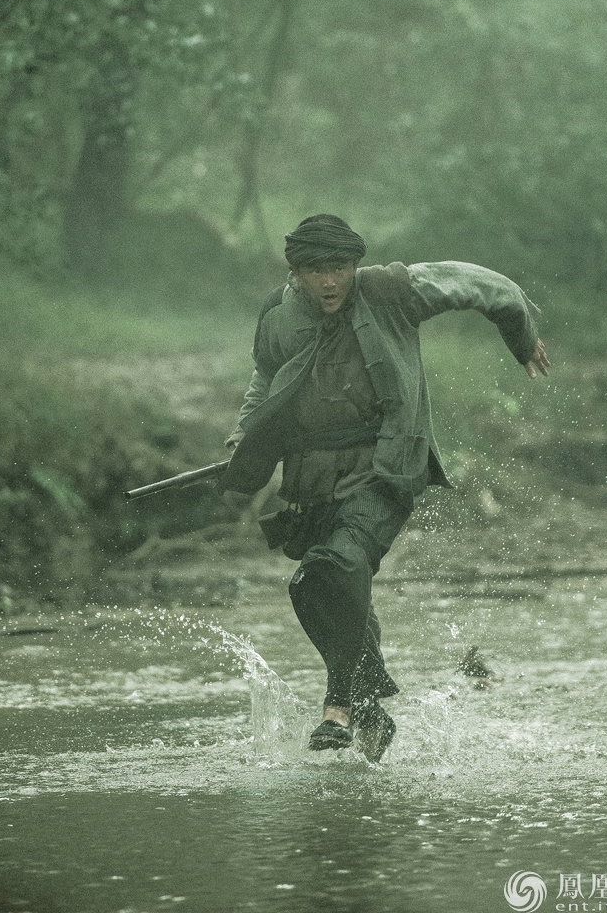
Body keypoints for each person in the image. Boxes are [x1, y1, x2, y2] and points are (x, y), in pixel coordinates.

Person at [222, 215, 549, 762]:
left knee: (339, 563)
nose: (331, 281)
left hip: (385, 467)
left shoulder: (392, 290)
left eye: (340, 267)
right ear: (296, 272)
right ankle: (371, 709)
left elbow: (486, 287)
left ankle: (337, 708)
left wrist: (522, 338)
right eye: (317, 270)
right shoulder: (278, 315)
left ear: (355, 264)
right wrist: (242, 437)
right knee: (312, 588)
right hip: (311, 477)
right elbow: (265, 379)